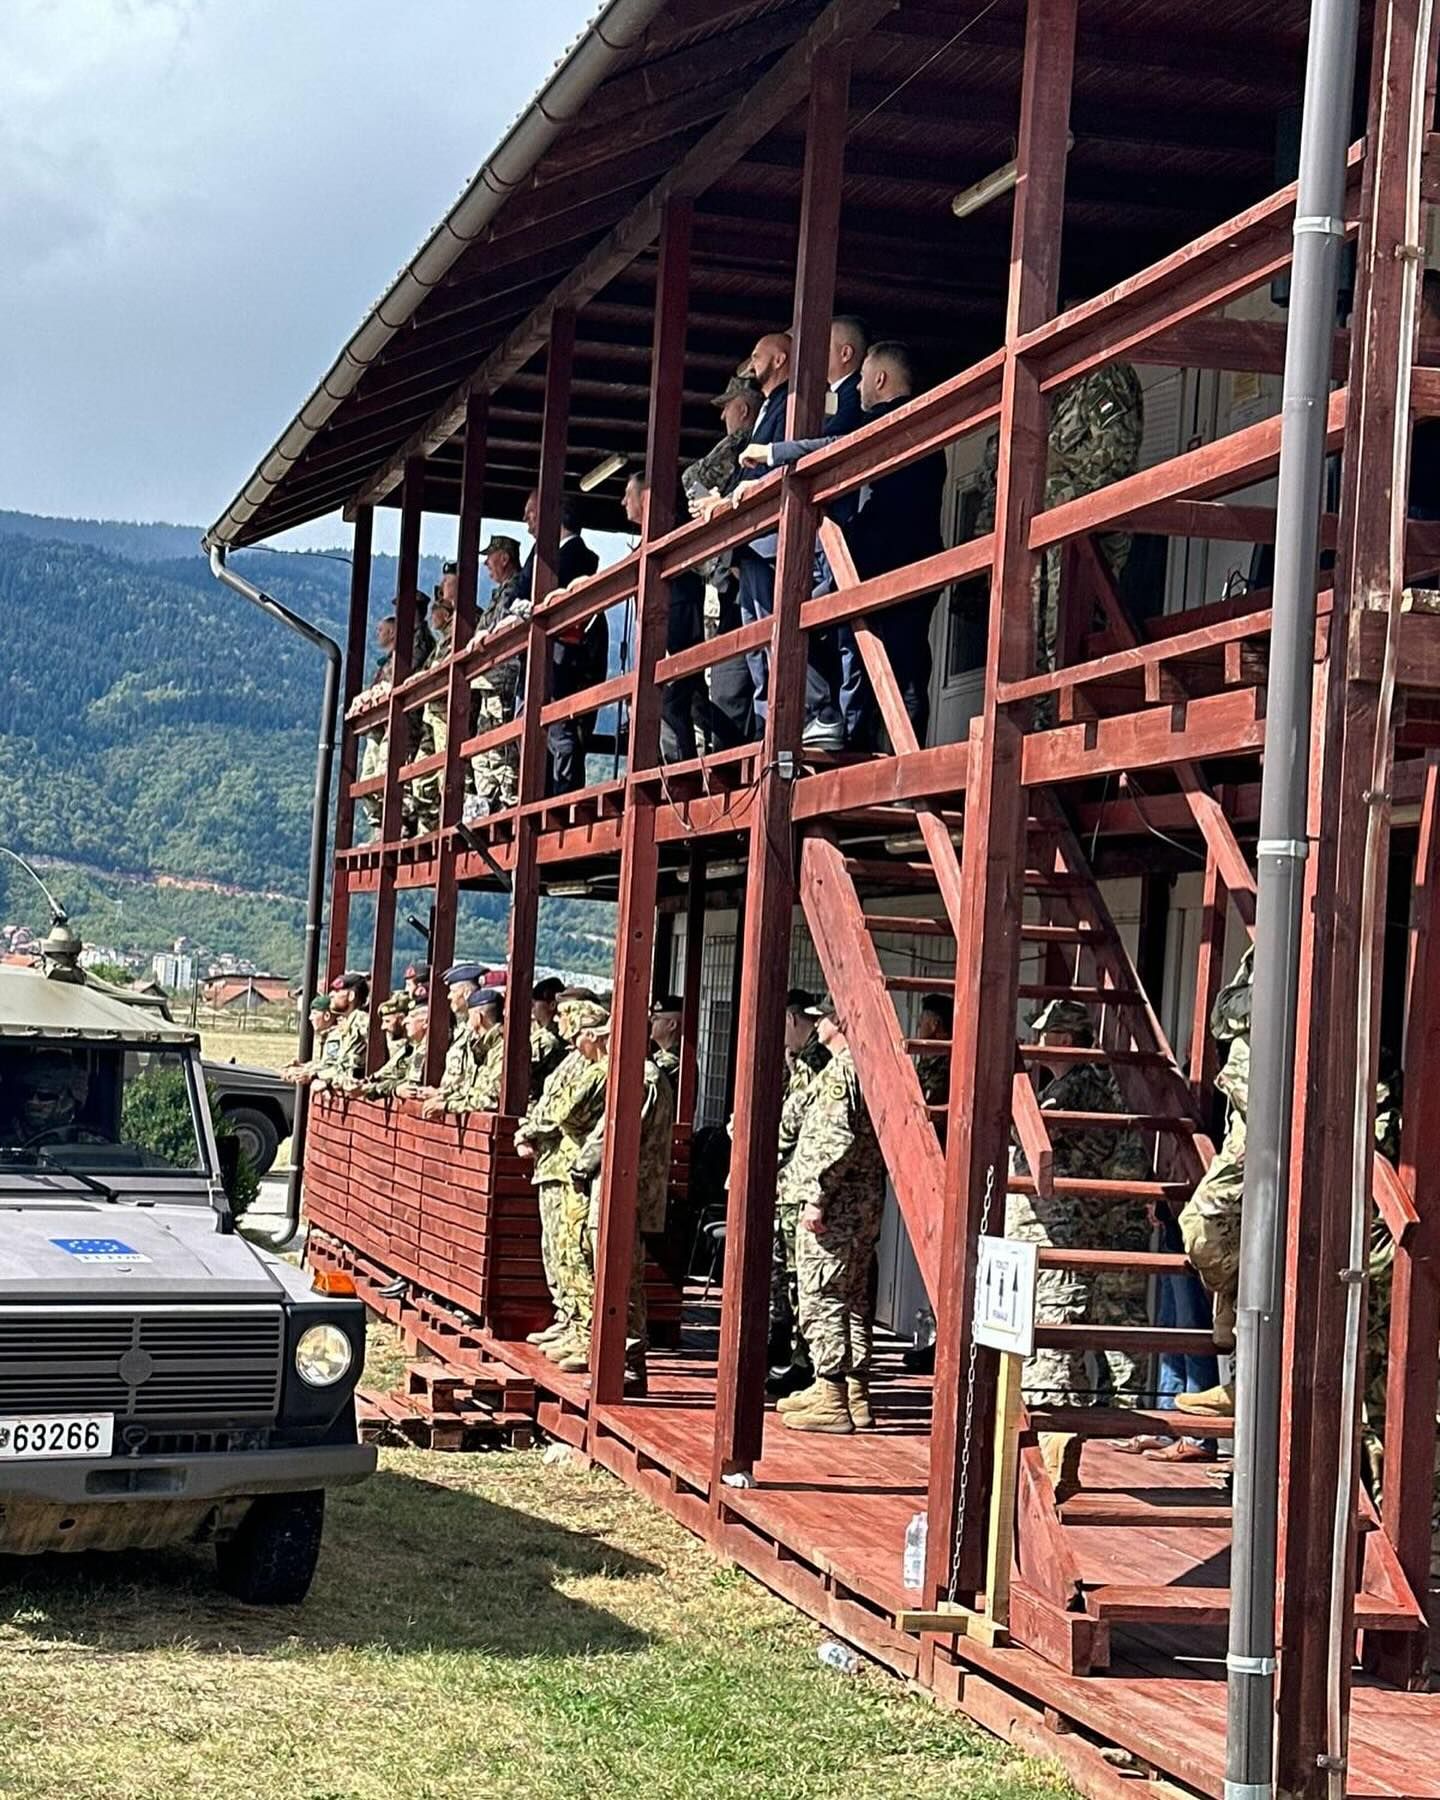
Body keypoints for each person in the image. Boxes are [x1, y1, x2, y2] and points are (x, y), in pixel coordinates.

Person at [1007, 998, 1151, 1410]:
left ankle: (1065, 1414)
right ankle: (1074, 1406)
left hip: (1070, 1222)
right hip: (1062, 1222)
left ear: (1064, 1038)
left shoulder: (1079, 1085)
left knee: (1062, 1316)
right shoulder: (1065, 1085)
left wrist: (1011, 1087)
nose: (1036, 1041)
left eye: (1043, 1033)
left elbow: (1034, 1137)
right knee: (1060, 1315)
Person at [975, 355, 1143, 696]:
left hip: (1074, 553)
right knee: (1021, 661)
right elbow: (993, 468)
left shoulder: (1103, 374)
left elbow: (1116, 456)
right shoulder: (1042, 390)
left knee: (1063, 651)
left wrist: (1050, 476)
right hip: (1027, 562)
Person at [775, 997, 886, 1434]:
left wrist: (816, 1197)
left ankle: (830, 1393)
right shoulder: (868, 1069)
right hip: (862, 1206)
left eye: (822, 1017)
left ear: (840, 1023)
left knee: (823, 1296)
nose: (816, 1024)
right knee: (854, 1299)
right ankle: (854, 1391)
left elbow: (832, 1140)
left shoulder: (842, 1072)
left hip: (837, 1208)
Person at [569, 1017, 676, 1389]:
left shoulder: (641, 1078)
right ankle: (619, 1359)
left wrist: (580, 1167)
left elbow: (610, 1131)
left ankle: (626, 1362)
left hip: (624, 1195)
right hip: (623, 1192)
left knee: (620, 1281)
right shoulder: (641, 1075)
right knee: (615, 1279)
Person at [1174, 950, 1253, 1421]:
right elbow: (1224, 1015)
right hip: (1246, 1113)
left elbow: (1230, 1011)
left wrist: (1232, 1009)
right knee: (1236, 1241)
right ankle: (1238, 1379)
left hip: (1265, 1123)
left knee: (1203, 1223)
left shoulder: (1304, 936)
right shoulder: (1267, 942)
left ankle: (1242, 1378)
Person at [514, 1000, 611, 1367]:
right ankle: (570, 1319)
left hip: (571, 1164)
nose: (570, 1037)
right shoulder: (575, 1062)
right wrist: (529, 1128)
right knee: (556, 1249)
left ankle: (584, 1329)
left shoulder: (597, 1070)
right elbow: (549, 1103)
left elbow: (565, 1112)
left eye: (575, 1030)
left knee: (573, 1252)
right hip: (555, 1162)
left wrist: (531, 1130)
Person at [683, 375, 764, 748]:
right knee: (736, 678)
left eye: (726, 408)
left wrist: (710, 500)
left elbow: (693, 477)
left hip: (740, 573)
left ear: (743, 409)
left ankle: (734, 768)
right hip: (739, 573)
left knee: (732, 683)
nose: (722, 420)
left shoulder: (744, 442)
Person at [768, 989, 832, 1398]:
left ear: (793, 1020)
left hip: (800, 1186)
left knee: (800, 1279)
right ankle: (796, 1354)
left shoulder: (814, 1064)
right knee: (789, 1277)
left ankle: (805, 1362)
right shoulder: (805, 1062)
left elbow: (799, 1124)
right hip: (794, 1185)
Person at [519, 491, 604, 795]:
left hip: (564, 662)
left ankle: (560, 799)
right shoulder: (547, 553)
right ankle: (545, 795)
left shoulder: (573, 555)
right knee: (539, 734)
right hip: (548, 661)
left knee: (560, 734)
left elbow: (531, 593)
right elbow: (520, 591)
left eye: (532, 513)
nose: (527, 521)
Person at [624, 470, 711, 763]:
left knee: (671, 697)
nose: (623, 501)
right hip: (675, 615)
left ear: (645, 497)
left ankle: (678, 769)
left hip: (677, 615)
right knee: (687, 697)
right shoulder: (657, 533)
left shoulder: (667, 529)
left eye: (628, 494)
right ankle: (682, 763)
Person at [732, 332, 793, 732]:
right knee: (756, 647)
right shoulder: (771, 404)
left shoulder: (791, 402)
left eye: (759, 354)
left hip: (771, 540)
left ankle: (776, 726)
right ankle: (763, 727)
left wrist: (747, 488)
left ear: (780, 359)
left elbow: (775, 465)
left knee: (771, 639)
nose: (753, 361)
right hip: (754, 544)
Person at [465, 538, 527, 818]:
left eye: (489, 557)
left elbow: (499, 630)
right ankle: (488, 799)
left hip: (502, 675)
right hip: (488, 679)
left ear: (504, 558)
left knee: (501, 743)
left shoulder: (513, 589)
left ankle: (506, 799)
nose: (485, 563)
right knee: (485, 742)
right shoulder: (499, 592)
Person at [409, 586, 456, 836]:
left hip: (446, 710)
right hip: (433, 713)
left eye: (436, 611)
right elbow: (424, 671)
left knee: (445, 770)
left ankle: (444, 823)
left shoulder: (454, 635)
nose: (430, 616)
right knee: (422, 773)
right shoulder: (439, 643)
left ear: (446, 614)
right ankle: (429, 826)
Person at [402, 963, 481, 1108]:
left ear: (466, 993)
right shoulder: (461, 1030)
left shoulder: (476, 1033)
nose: (449, 996)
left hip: (459, 1107)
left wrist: (443, 1095)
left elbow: (473, 1082)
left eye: (452, 991)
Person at [351, 614, 397, 841]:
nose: (377, 633)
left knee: (383, 776)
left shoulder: (401, 658)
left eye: (381, 629)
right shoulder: (387, 661)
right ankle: (377, 826)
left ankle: (392, 826)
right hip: (377, 728)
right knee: (368, 779)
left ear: (392, 633)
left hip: (390, 726)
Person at [1, 1050, 96, 1145]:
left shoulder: (88, 1143)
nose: (33, 1102)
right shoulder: (5, 1138)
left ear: (70, 1101)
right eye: (27, 1094)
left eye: (45, 1096)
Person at [445, 987, 505, 1115]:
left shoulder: (501, 1049)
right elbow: (469, 1089)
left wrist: (448, 1106)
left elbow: (491, 1099)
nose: (469, 1023)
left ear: (478, 1018)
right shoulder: (483, 1047)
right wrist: (443, 1095)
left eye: (470, 1017)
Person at [362, 1000, 427, 1099]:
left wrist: (376, 1089)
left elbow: (411, 1086)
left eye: (412, 1017)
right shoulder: (412, 1047)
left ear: (425, 1022)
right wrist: (369, 1085)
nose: (405, 1021)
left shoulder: (426, 1050)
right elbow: (388, 1073)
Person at [358, 992, 413, 1097]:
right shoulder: (403, 1045)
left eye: (387, 1021)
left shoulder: (412, 1047)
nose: (383, 1027)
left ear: (401, 1019)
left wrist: (370, 1088)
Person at [531, 975, 568, 1097]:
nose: (532, 1007)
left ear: (552, 1005)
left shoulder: (548, 1040)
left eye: (536, 1002)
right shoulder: (548, 1034)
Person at [915, 991, 952, 1108]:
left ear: (935, 1024)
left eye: (923, 1019)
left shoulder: (948, 1065)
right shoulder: (927, 1063)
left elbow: (930, 1098)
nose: (918, 1024)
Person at [649, 994, 684, 1090]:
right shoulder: (660, 1055)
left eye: (655, 1018)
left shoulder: (675, 1062)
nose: (651, 1021)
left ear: (672, 1025)